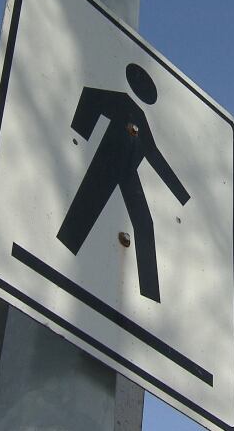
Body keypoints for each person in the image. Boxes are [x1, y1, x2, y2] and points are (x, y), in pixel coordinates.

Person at [57, 63, 190, 303]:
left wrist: (182, 195)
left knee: (144, 223)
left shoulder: (139, 116)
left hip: (128, 171)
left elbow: (153, 154)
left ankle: (149, 294)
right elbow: (90, 97)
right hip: (106, 161)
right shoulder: (121, 102)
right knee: (88, 202)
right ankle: (64, 246)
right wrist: (80, 131)